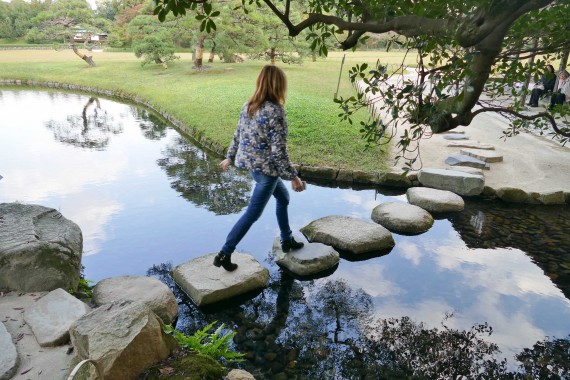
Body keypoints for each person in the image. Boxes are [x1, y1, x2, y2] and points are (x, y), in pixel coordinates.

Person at [214, 65, 305, 272]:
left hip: (253, 168)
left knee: (283, 199)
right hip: (267, 172)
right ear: (279, 85)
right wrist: (294, 177)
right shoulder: (276, 111)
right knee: (252, 214)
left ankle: (287, 239)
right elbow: (278, 152)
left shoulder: (249, 105)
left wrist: (230, 157)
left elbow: (238, 134)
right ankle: (224, 253)